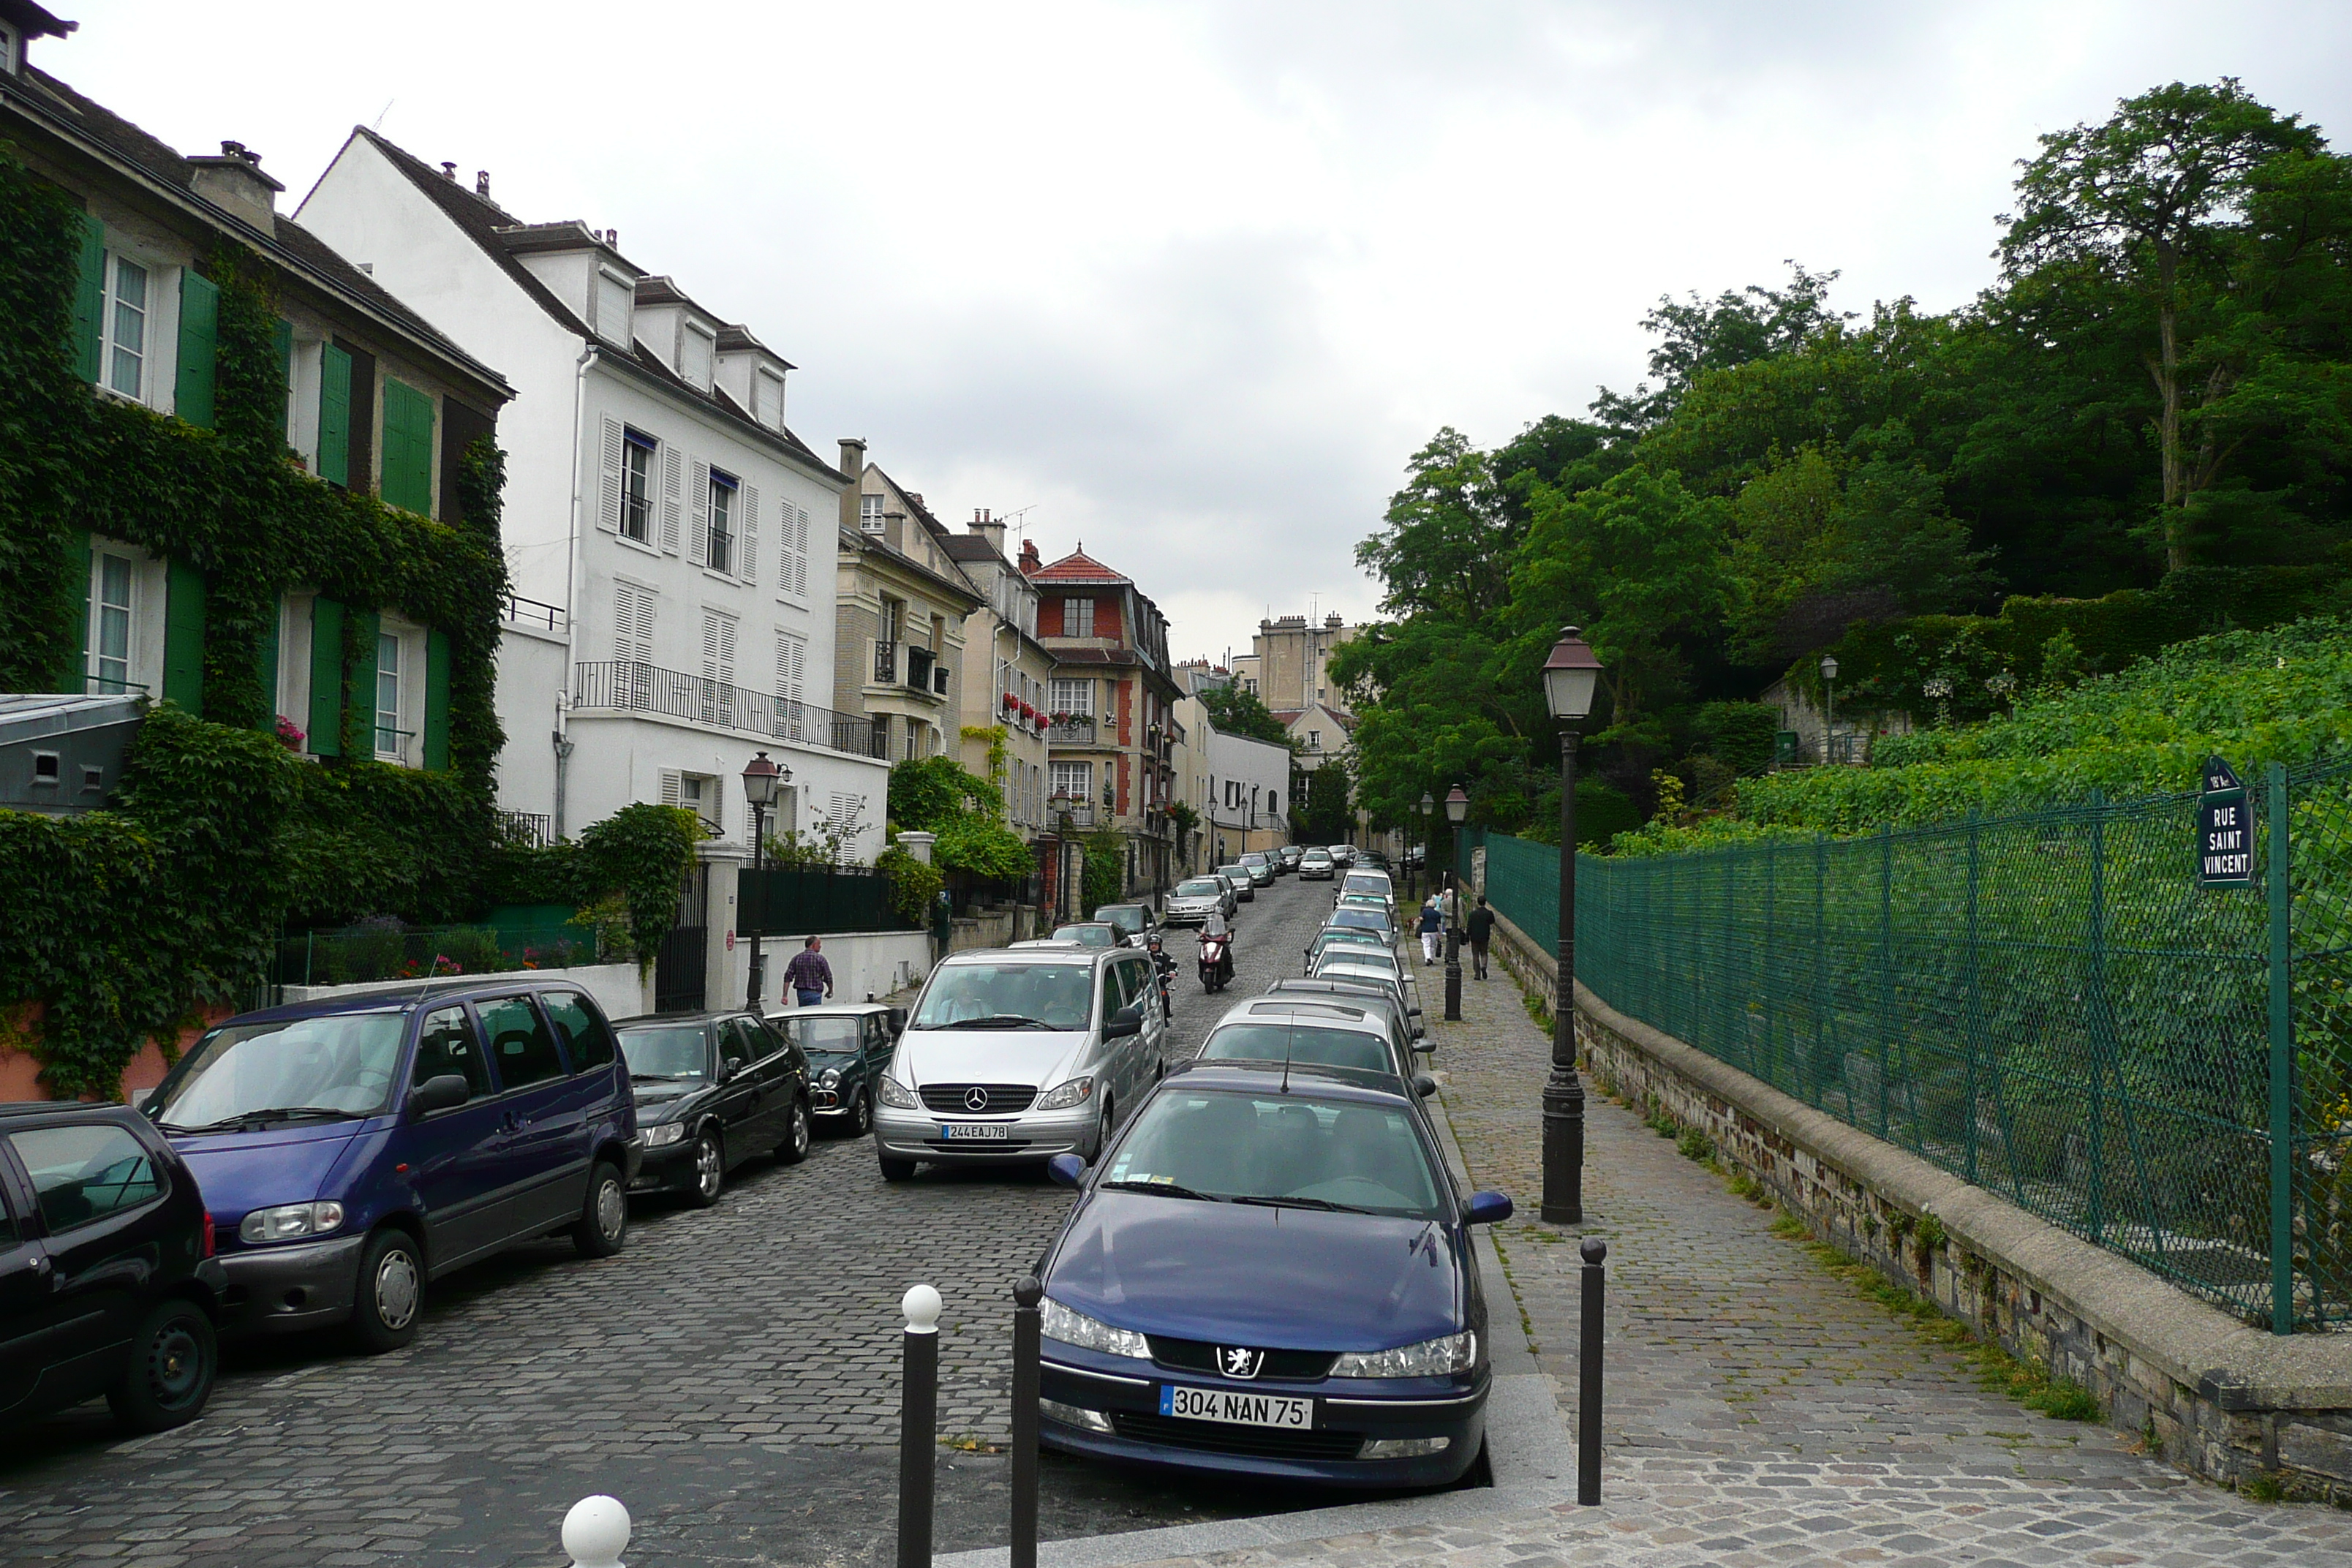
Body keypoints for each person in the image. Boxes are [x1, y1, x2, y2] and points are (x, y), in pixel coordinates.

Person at [783, 935, 833, 1007]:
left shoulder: (797, 958)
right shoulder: (820, 959)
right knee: (814, 1014)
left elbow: (788, 977)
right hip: (815, 993)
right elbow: (828, 977)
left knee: (803, 1014)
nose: (820, 946)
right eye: (819, 944)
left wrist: (785, 995)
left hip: (801, 993)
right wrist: (830, 990)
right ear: (813, 945)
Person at [1468, 895, 1496, 981]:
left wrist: (1467, 935)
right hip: (1484, 936)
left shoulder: (1473, 914)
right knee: (1484, 953)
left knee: (1475, 955)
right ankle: (1484, 966)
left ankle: (1477, 974)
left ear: (1478, 902)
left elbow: (1469, 926)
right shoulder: (1489, 913)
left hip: (1474, 936)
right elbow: (1492, 921)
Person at [1417, 895, 1442, 965]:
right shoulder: (1437, 913)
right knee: (1433, 945)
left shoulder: (1425, 911)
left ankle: (1428, 957)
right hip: (1434, 930)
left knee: (1426, 945)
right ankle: (1431, 958)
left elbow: (1421, 918)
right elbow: (1439, 924)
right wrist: (1440, 934)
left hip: (1425, 930)